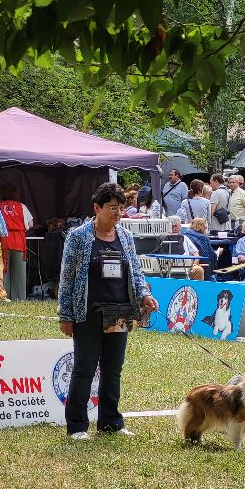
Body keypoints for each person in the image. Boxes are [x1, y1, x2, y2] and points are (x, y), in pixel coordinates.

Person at [57, 183, 158, 441]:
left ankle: (111, 422)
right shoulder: (78, 237)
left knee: (113, 369)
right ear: (97, 208)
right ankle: (77, 426)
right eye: (112, 208)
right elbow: (67, 279)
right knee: (84, 369)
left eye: (121, 208)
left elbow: (135, 271)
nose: (118, 213)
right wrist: (66, 315)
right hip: (87, 312)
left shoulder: (124, 237)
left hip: (119, 312)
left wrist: (145, 294)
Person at [0, 183, 34, 301]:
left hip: (3, 240)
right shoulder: (22, 206)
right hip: (19, 240)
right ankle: (19, 297)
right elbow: (30, 224)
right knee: (19, 273)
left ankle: (4, 296)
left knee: (4, 270)